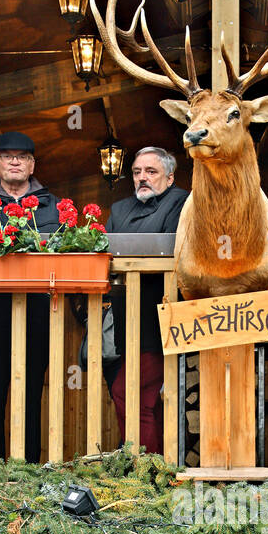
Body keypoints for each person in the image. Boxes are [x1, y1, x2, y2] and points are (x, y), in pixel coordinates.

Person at [81, 148, 188, 453]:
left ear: (169, 177)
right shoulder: (119, 208)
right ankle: (154, 469)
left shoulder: (182, 202)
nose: (143, 177)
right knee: (144, 400)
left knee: (128, 394)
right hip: (123, 319)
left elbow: (170, 248)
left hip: (160, 319)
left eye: (151, 172)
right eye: (138, 171)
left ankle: (145, 471)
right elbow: (107, 252)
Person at [0, 132, 61, 462]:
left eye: (22, 156)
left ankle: (30, 468)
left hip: (37, 317)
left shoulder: (56, 208)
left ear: (32, 165)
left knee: (31, 394)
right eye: (7, 156)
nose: (15, 161)